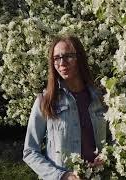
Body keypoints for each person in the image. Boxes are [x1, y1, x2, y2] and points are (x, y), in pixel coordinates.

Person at [23, 35, 109, 180]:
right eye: (56, 58)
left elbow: (112, 138)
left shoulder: (100, 98)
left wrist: (106, 155)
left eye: (68, 56)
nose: (62, 63)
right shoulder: (45, 101)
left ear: (80, 59)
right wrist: (62, 176)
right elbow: (30, 151)